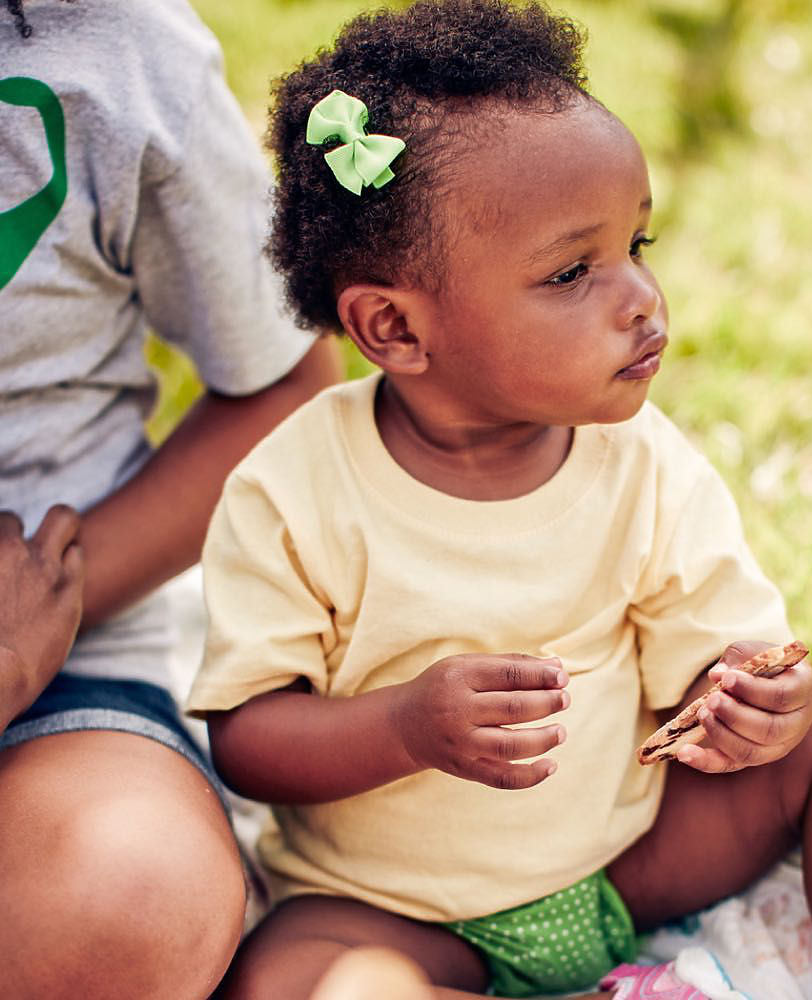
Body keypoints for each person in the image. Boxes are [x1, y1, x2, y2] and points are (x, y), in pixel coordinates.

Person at [186, 2, 812, 998]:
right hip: (396, 907)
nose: (638, 294)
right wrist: (407, 728)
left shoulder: (638, 460)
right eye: (571, 270)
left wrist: (755, 703)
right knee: (295, 978)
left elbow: (711, 668)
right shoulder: (292, 492)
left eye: (638, 242)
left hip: (627, 863)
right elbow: (247, 738)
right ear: (394, 328)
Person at [0, 0, 341, 997]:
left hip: (66, 644)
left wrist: (39, 613)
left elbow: (286, 383)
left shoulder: (119, 54)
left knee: (130, 899)